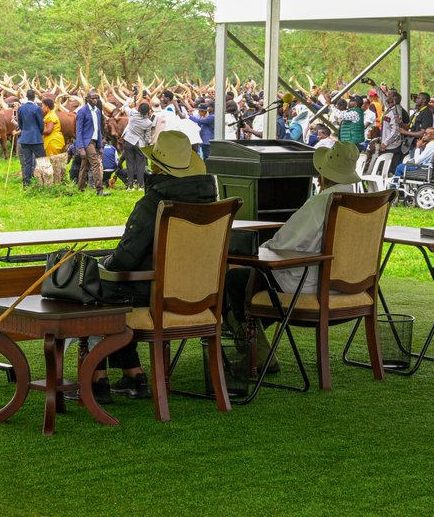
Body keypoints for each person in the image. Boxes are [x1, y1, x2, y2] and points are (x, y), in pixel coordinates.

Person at [94, 130, 217, 400]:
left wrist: (103, 264)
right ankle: (132, 375)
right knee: (110, 288)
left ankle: (98, 378)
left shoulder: (154, 203)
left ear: (157, 166)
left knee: (97, 287)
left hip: (155, 293)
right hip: (200, 295)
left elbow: (125, 259)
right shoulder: (210, 202)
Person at [222, 141, 364, 370]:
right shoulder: (365, 203)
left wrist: (253, 255)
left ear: (323, 174)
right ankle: (250, 342)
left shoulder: (321, 203)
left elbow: (282, 244)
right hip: (354, 288)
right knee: (254, 282)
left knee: (236, 280)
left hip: (311, 286)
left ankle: (255, 352)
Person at [74, 90, 109, 196]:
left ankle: (80, 188)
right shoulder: (82, 111)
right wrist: (81, 147)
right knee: (96, 163)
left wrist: (100, 146)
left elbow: (98, 130)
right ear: (87, 99)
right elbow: (78, 130)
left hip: (94, 142)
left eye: (97, 98)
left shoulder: (98, 111)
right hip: (86, 142)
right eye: (93, 98)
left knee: (85, 166)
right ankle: (99, 190)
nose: (95, 100)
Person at [14, 89, 45, 187]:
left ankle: (26, 184)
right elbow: (41, 125)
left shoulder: (20, 109)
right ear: (34, 97)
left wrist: (25, 132)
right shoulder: (37, 109)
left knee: (27, 162)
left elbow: (20, 125)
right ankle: (42, 183)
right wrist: (38, 134)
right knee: (41, 160)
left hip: (25, 139)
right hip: (36, 139)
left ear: (26, 97)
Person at [121, 101, 153, 189]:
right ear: (148, 111)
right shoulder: (148, 123)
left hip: (128, 141)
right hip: (140, 144)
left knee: (129, 163)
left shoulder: (132, 114)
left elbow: (125, 106)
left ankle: (130, 185)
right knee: (140, 165)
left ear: (139, 109)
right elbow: (147, 138)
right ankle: (141, 185)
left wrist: (129, 99)